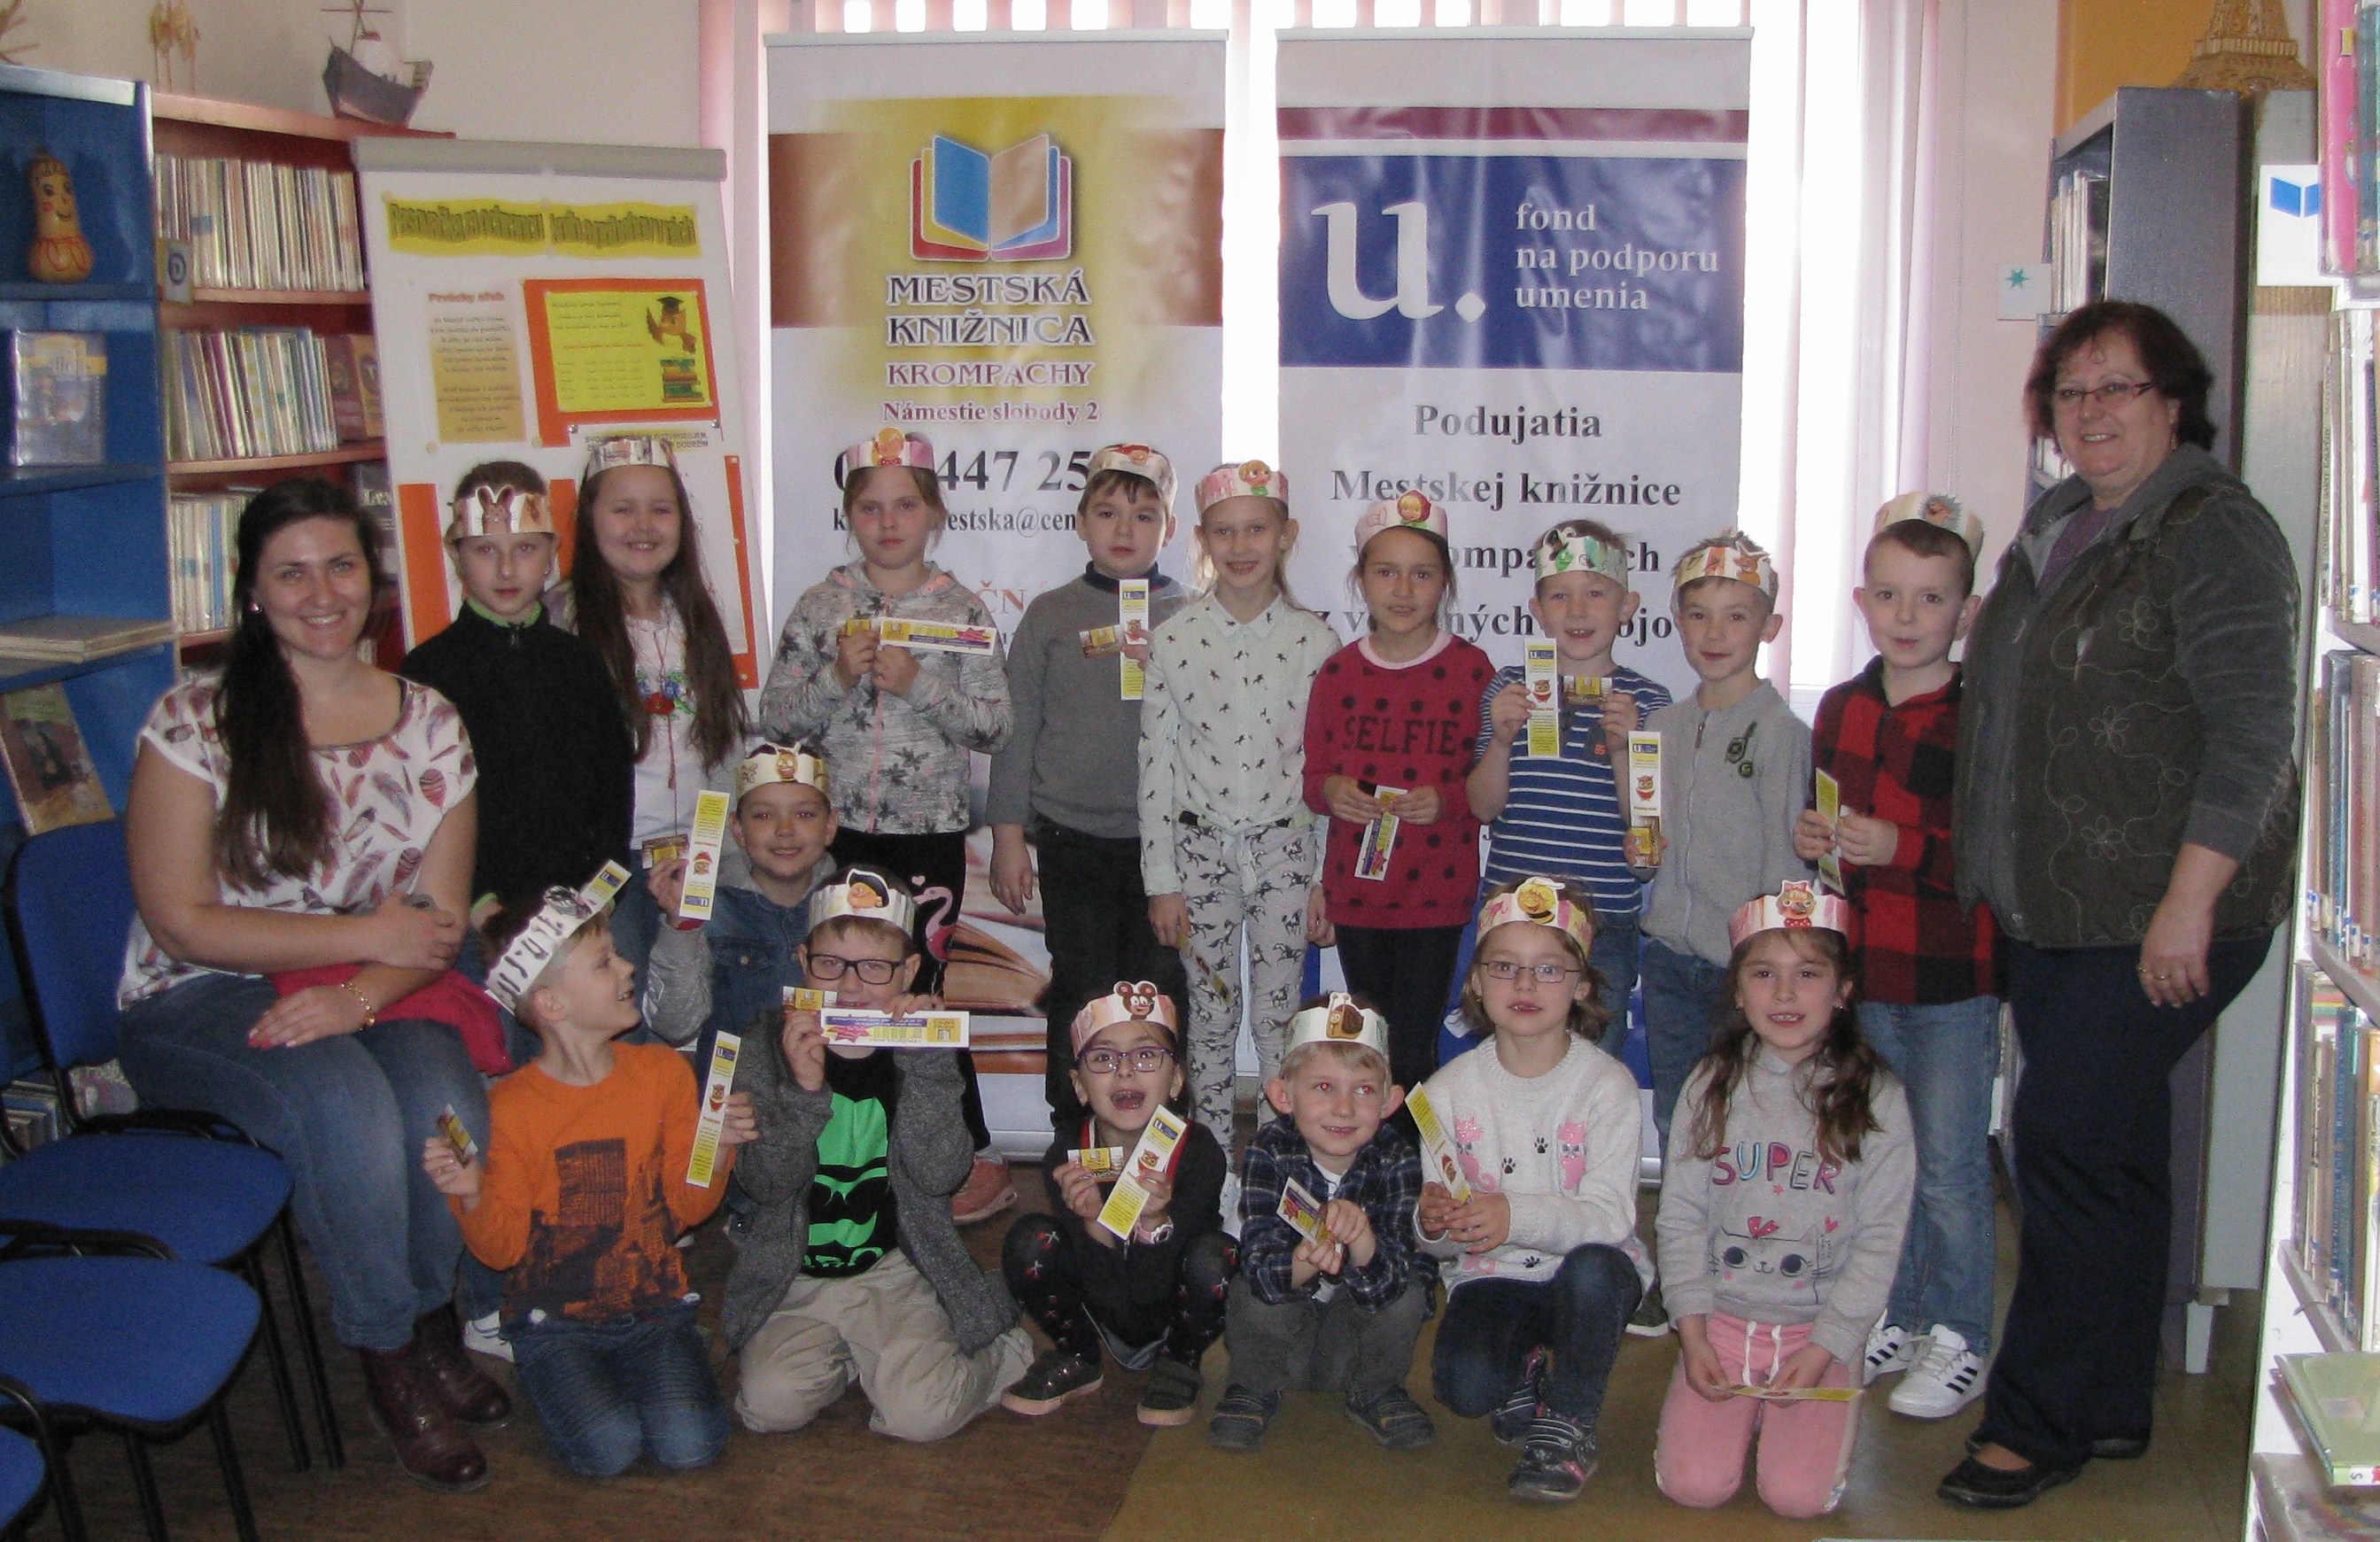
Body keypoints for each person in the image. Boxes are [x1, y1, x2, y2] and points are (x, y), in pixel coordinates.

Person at [1941, 300, 2299, 1508]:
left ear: (2172, 402)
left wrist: (2187, 903)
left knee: (2057, 1141)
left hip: (2162, 906)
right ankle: (2108, 1402)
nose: (2088, 410)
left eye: (2116, 386)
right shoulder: (2055, 524)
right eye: (2069, 390)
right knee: (2111, 1150)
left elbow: (2254, 734)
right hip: (2052, 908)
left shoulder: (2211, 529)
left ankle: (2032, 1422)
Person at [116, 477, 508, 1492]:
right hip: (199, 992)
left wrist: (360, 991)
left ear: (373, 580)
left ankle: (428, 1312)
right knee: (345, 1104)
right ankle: (387, 1348)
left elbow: (436, 922)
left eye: (340, 566)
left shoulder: (430, 720)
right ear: (252, 592)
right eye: (291, 573)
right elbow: (181, 918)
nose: (321, 593)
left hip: (378, 983)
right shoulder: (193, 720)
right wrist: (363, 939)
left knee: (449, 1102)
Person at [760, 429, 1016, 1225]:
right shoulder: (821, 605)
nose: (888, 521)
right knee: (834, 991)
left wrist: (916, 685)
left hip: (927, 835)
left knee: (922, 993)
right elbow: (776, 720)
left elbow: (995, 726)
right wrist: (839, 676)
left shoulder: (960, 610)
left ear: (933, 513)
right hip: (836, 838)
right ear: (849, 515)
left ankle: (961, 1153)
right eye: (870, 507)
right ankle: (841, 1149)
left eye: (905, 505)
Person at [422, 877, 752, 1478]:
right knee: (607, 1449)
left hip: (653, 1308)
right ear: (551, 1004)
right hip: (554, 1323)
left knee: (690, 1445)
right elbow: (502, 1250)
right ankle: (562, 1375)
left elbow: (686, 1209)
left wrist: (719, 1145)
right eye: (605, 961)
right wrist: (471, 1194)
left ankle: (649, 1367)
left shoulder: (661, 1073)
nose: (627, 967)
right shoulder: (507, 1110)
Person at [1795, 493, 2000, 1420]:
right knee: (1888, 1156)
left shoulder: (1979, 715)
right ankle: (1906, 1313)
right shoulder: (1840, 707)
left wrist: (1900, 845)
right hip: (1867, 972)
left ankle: (1961, 1332)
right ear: (1859, 601)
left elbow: (1993, 851)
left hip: (1951, 975)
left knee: (1952, 1165)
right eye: (1888, 595)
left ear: (1965, 610)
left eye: (1930, 597)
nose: (1906, 616)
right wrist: (1816, 838)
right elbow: (1827, 826)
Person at [721, 867, 1034, 1441]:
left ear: (908, 970)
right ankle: (855, 1355)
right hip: (795, 1276)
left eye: (874, 967)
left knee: (920, 1417)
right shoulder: (764, 1042)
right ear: (802, 959)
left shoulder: (922, 1046)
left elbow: (940, 1176)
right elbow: (766, 1185)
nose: (849, 986)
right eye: (830, 964)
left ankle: (1000, 1348)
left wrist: (927, 1067)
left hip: (895, 1268)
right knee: (766, 1408)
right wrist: (804, 1093)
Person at [1654, 882, 1913, 1519]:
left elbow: (1880, 1240)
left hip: (1816, 1330)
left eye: (1808, 974)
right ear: (1738, 991)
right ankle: (1727, 1408)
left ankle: (1821, 1396)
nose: (1785, 993)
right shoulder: (1709, 1085)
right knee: (1694, 1487)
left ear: (1842, 989)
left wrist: (1828, 1345)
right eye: (1764, 973)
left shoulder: (1876, 1096)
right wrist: (1692, 1333)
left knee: (1797, 1499)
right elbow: (1680, 1217)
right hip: (1720, 1324)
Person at [1416, 877, 1647, 1502]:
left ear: (1582, 986)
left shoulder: (1607, 1085)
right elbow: (1440, 1241)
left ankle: (1568, 1421)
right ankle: (1522, 1366)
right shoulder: (1442, 1092)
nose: (1524, 985)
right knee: (1465, 1389)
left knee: (1598, 1272)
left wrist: (1512, 1213)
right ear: (1475, 982)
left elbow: (1610, 1218)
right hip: (1494, 1271)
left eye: (1548, 969)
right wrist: (1431, 1223)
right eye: (1504, 967)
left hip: (1585, 1272)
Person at [988, 445, 1191, 1130]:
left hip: (1167, 849)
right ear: (1080, 523)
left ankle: (1160, 1139)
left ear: (1169, 527)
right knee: (1081, 986)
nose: (1124, 529)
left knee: (1158, 990)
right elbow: (1017, 729)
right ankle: (1073, 1137)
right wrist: (1007, 838)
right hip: (1070, 840)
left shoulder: (1193, 616)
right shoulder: (1050, 614)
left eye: (1144, 515)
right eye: (1106, 513)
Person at [1140, 461, 1339, 1155]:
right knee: (1210, 1014)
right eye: (1223, 531)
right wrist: (1161, 880)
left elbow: (1324, 768)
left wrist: (1322, 877)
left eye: (1256, 529)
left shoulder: (1316, 642)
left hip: (1286, 849)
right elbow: (1155, 765)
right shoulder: (1173, 638)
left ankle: (1282, 1161)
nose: (1241, 545)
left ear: (1286, 535)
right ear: (1201, 539)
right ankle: (1213, 1164)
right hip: (1199, 852)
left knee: (1279, 1016)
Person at [1457, 518, 1672, 1059]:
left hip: (1605, 920)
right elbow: (1482, 807)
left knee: (1594, 1065)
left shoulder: (1648, 699)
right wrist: (1501, 740)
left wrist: (1623, 750)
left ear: (1627, 607)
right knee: (1510, 1060)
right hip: (1513, 915)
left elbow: (1646, 830)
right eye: (1560, 596)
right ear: (1537, 609)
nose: (1577, 611)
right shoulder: (1509, 687)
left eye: (1596, 594)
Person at [1302, 491, 1492, 1093]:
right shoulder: (1339, 672)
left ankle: (1415, 1152)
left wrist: (1448, 800)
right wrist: (1332, 789)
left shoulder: (1472, 671)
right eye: (1386, 573)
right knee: (1371, 1046)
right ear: (1360, 580)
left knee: (1414, 1047)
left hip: (1437, 894)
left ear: (1446, 583)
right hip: (1357, 894)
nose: (1403, 590)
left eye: (1422, 574)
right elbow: (1312, 780)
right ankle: (1370, 1147)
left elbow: (1490, 784)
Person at [554, 435, 749, 974]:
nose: (643, 526)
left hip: (698, 856)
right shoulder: (564, 622)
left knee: (698, 996)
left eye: (661, 510)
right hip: (606, 868)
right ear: (590, 520)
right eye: (623, 509)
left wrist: (722, 849)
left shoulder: (696, 615)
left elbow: (723, 746)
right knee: (619, 999)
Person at [400, 461, 633, 908]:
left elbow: (613, 796)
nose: (506, 570)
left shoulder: (582, 664)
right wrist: (479, 906)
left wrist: (602, 899)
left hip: (579, 905)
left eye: (525, 548)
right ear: (456, 554)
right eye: (485, 550)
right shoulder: (428, 672)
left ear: (552, 553)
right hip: (471, 908)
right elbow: (423, 805)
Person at [1210, 994, 1434, 1454]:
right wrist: (1302, 1261)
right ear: (1282, 1096)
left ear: (1390, 1100)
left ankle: (1377, 1390)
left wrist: (1364, 1241)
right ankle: (1252, 1387)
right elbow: (1261, 1270)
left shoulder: (1396, 1157)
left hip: (1352, 1343)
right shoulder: (1269, 1149)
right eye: (1324, 1087)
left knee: (1411, 1290)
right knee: (1245, 1287)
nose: (1344, 1108)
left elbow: (1392, 1282)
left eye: (1364, 1090)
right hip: (1285, 1337)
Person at [998, 983, 1230, 1427]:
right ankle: (1077, 1354)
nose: (1124, 1072)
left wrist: (1155, 1222)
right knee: (1030, 1238)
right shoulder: (1068, 1156)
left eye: (1146, 1056)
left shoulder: (1199, 1152)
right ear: (1079, 1086)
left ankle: (1180, 1361)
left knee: (1217, 1254)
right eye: (1103, 1059)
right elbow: (1111, 1291)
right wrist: (1094, 1225)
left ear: (1176, 1080)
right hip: (1101, 1300)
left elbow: (1151, 1293)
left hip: (1173, 1303)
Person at [642, 740, 840, 1065]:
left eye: (804, 814)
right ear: (738, 830)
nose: (785, 830)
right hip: (731, 1090)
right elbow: (674, 1026)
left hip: (823, 1089)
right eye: (763, 815)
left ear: (830, 826)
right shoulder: (710, 907)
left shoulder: (854, 906)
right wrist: (682, 924)